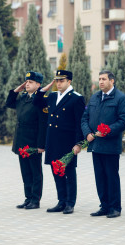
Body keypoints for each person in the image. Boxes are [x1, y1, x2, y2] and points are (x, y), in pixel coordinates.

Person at [33, 70, 85, 214]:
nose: (59, 83)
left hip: (67, 142)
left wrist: (79, 143)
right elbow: (36, 101)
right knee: (56, 171)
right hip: (53, 140)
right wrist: (46, 87)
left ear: (69, 81)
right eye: (57, 80)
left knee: (68, 172)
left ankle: (70, 203)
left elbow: (79, 123)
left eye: (62, 80)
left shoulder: (76, 98)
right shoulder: (52, 95)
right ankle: (61, 200)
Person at [81, 70, 125, 218]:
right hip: (95, 145)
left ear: (112, 81)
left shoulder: (120, 98)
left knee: (111, 176)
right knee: (100, 177)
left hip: (110, 145)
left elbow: (124, 120)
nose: (101, 82)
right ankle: (104, 205)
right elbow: (85, 118)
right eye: (99, 79)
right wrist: (87, 133)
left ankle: (115, 207)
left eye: (104, 79)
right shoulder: (95, 97)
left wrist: (108, 130)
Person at [6, 71, 48, 210]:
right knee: (25, 171)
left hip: (33, 141)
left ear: (38, 84)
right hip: (21, 139)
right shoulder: (23, 97)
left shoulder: (40, 100)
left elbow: (43, 124)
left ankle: (35, 200)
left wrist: (41, 145)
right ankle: (28, 197)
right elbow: (10, 102)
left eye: (30, 82)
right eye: (26, 82)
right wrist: (18, 89)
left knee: (35, 171)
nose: (27, 84)